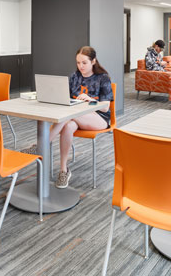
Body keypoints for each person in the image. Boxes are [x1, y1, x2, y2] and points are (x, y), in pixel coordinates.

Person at [22, 46, 113, 189]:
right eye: (78, 62)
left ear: (93, 61)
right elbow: (67, 99)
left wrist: (90, 99)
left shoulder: (103, 78)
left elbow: (106, 107)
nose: (80, 66)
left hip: (99, 118)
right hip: (76, 116)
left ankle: (41, 146)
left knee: (67, 117)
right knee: (68, 125)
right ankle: (64, 170)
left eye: (84, 63)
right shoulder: (74, 77)